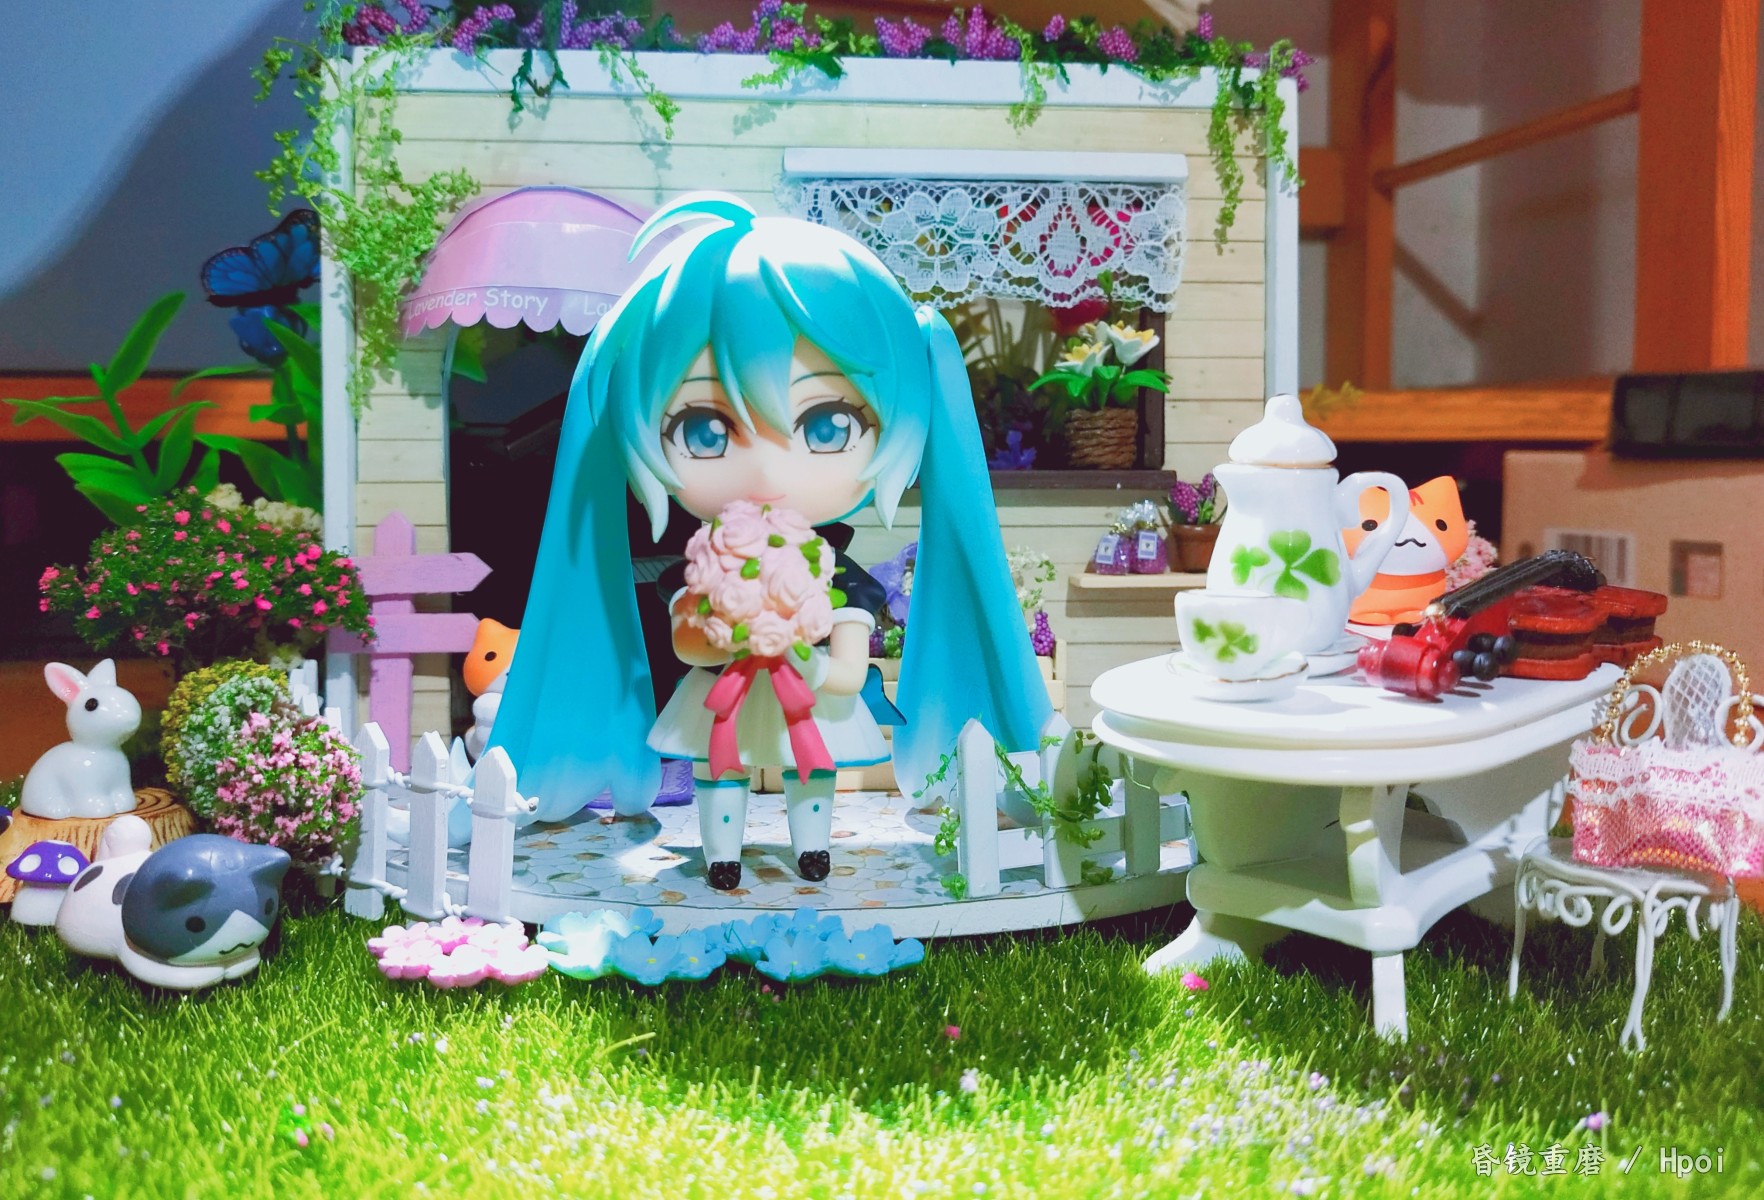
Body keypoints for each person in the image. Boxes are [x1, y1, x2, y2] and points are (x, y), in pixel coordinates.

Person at [487, 191, 1050, 890]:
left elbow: (849, 659)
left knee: (809, 768)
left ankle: (811, 849)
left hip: (809, 698)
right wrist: (730, 633)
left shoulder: (834, 572)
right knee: (717, 766)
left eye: (827, 426)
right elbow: (686, 643)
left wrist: (810, 659)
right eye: (704, 429)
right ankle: (722, 855)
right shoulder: (707, 562)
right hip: (721, 695)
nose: (767, 470)